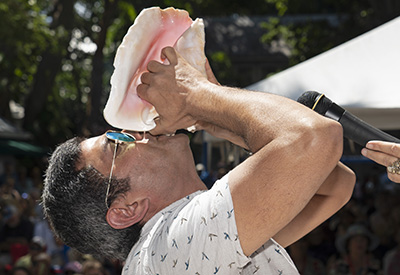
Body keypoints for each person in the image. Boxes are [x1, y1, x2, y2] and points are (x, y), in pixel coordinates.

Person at [42, 46, 356, 274]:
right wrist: (195, 95)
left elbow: (334, 185)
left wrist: (218, 121)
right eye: (117, 142)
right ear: (127, 209)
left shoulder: (192, 245)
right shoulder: (169, 246)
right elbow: (317, 138)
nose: (131, 131)